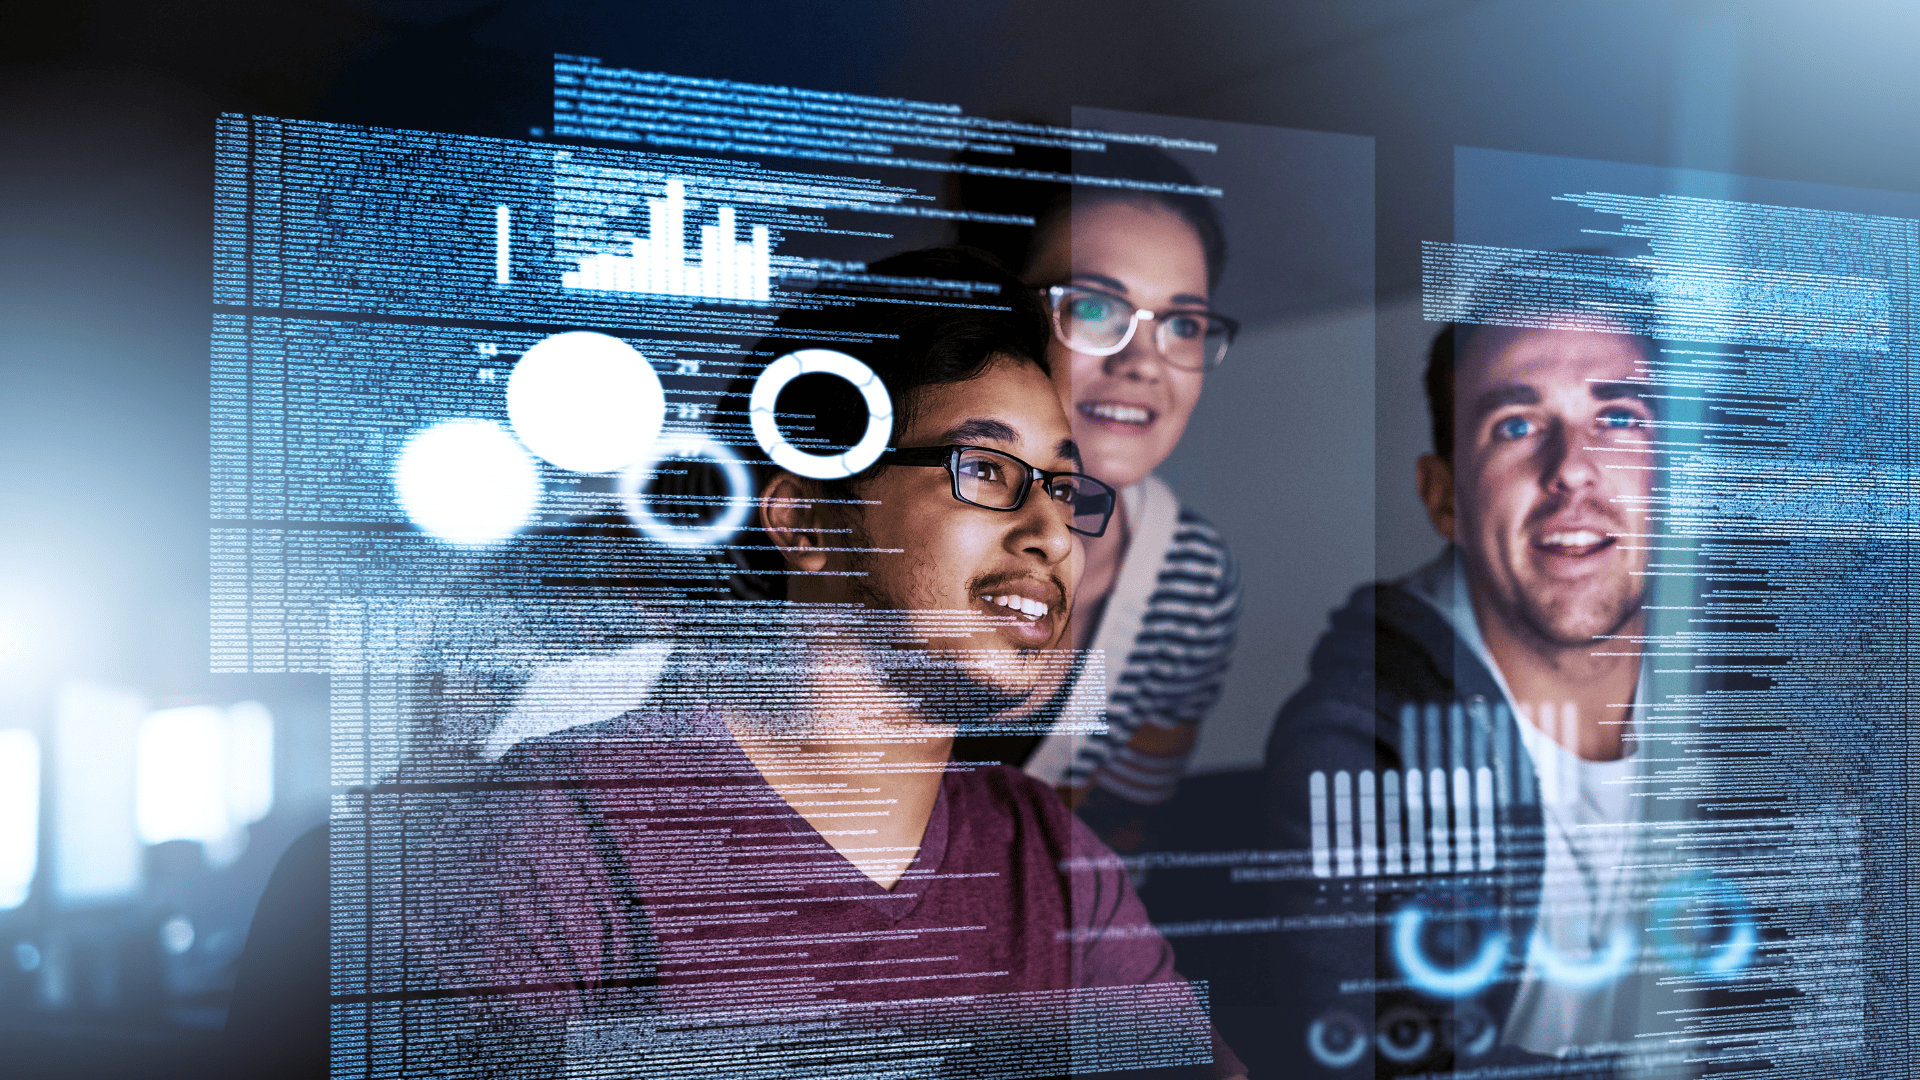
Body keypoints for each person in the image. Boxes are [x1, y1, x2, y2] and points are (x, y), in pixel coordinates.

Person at [401, 248, 1248, 1079]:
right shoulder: (548, 842)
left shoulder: (1051, 859)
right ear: (806, 520)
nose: (1053, 533)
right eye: (985, 469)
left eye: (1063, 489)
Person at [1261, 264, 1660, 1075]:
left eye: (1616, 417)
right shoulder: (1353, 739)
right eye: (1516, 425)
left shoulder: (1785, 691)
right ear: (1443, 499)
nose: (1573, 468)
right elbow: (1357, 1057)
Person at [951, 144, 1242, 849]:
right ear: (996, 313)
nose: (1143, 363)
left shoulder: (1191, 578)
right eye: (1093, 307)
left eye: (1183, 325)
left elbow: (1120, 832)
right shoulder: (872, 514)